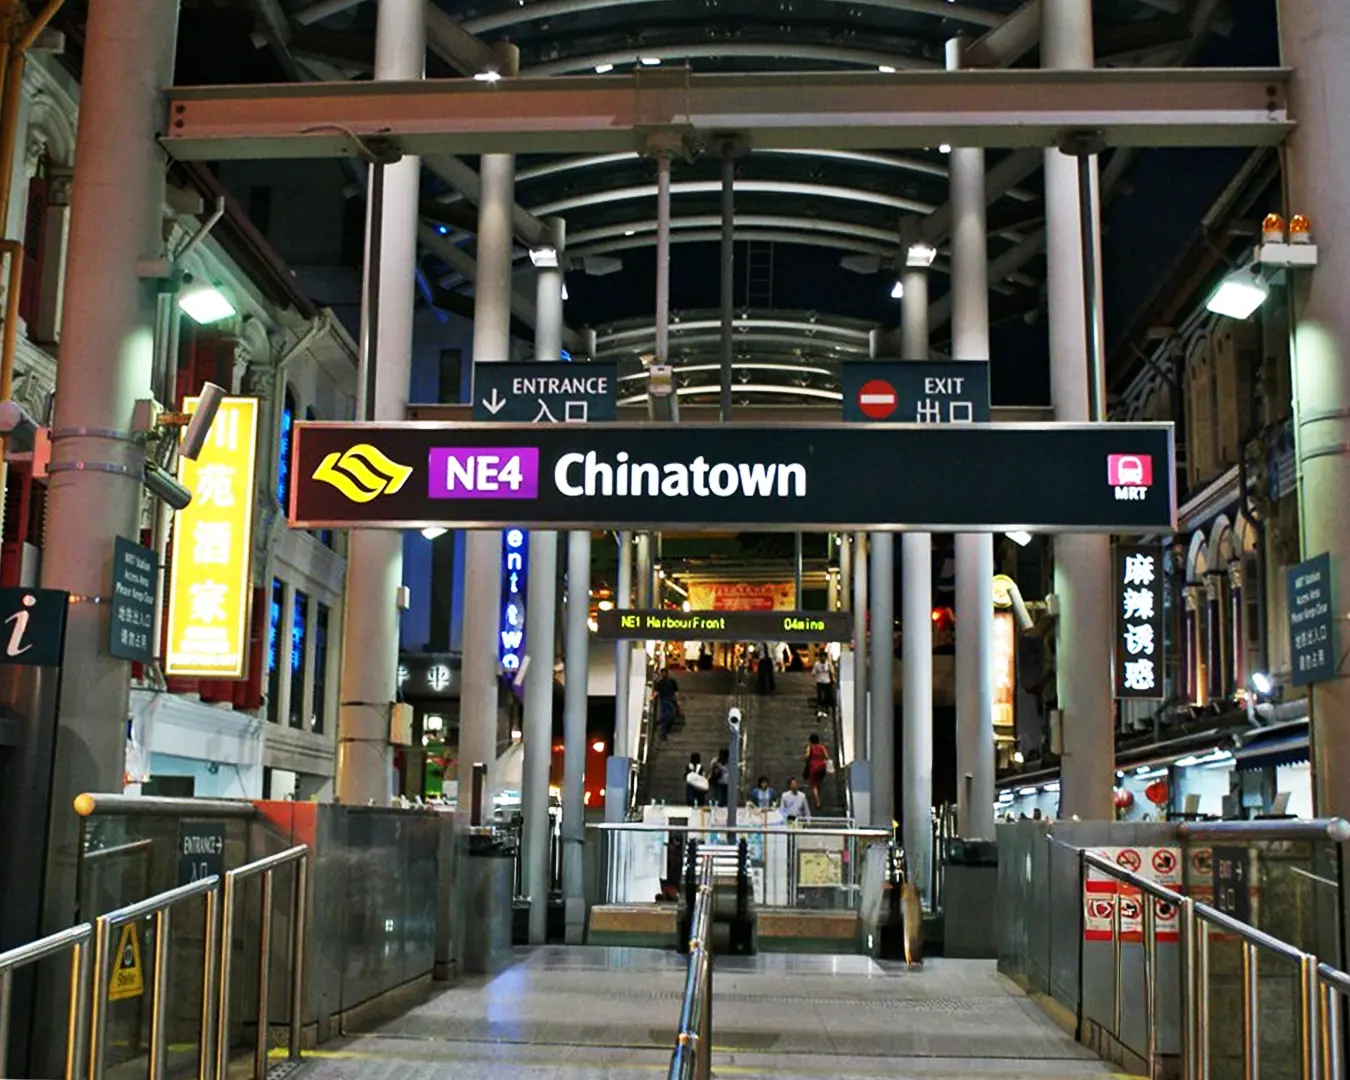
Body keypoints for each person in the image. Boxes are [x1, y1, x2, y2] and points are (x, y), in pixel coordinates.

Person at [802, 732, 830, 809]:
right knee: (818, 782)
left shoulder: (810, 747)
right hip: (822, 766)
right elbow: (827, 756)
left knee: (813, 785)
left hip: (814, 766)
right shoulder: (822, 747)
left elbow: (807, 756)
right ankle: (817, 797)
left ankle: (818, 802)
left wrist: (806, 760)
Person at [654, 668, 680, 740]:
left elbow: (676, 692)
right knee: (665, 714)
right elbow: (657, 691)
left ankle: (662, 723)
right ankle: (663, 731)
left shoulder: (672, 682)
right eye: (662, 673)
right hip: (663, 699)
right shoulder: (660, 683)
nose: (663, 675)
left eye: (664, 673)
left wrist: (677, 700)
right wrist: (652, 697)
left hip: (671, 699)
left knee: (671, 714)